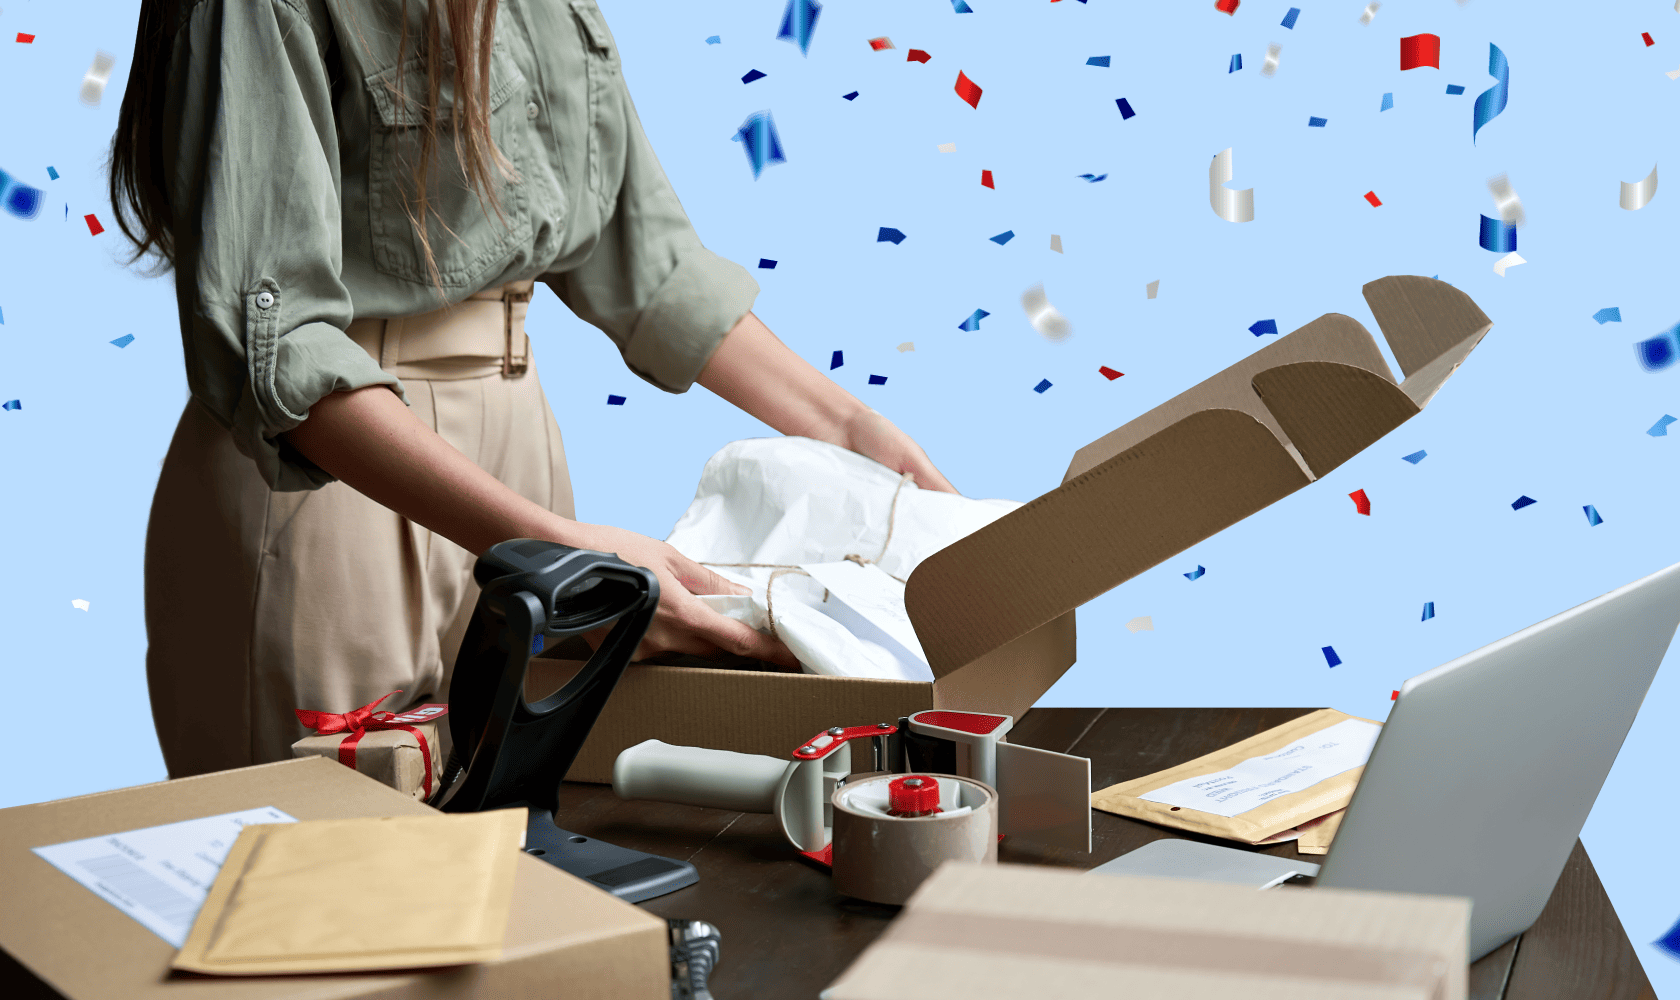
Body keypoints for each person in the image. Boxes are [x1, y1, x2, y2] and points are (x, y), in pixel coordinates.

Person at [108, 0, 957, 779]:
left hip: (519, 447)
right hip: (333, 476)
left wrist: (851, 430)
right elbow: (283, 341)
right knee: (330, 875)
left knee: (522, 847)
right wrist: (559, 552)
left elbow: (646, 264)